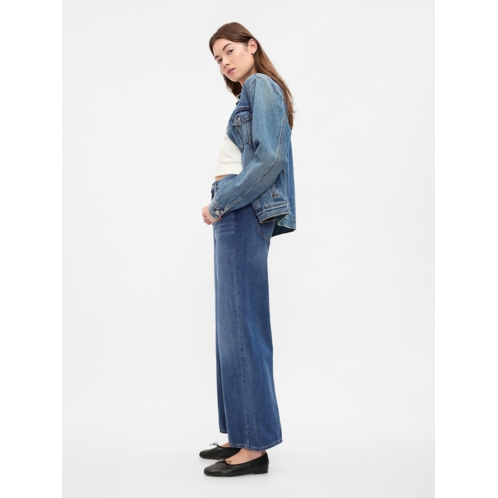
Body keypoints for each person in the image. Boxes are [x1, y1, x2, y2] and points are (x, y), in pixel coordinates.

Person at [200, 22, 297, 478]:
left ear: (251, 46)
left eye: (229, 50)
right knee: (231, 327)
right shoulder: (249, 94)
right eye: (218, 58)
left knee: (242, 326)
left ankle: (254, 446)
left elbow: (270, 159)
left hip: (239, 211)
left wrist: (221, 201)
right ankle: (241, 433)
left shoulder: (261, 86)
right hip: (234, 212)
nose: (225, 62)